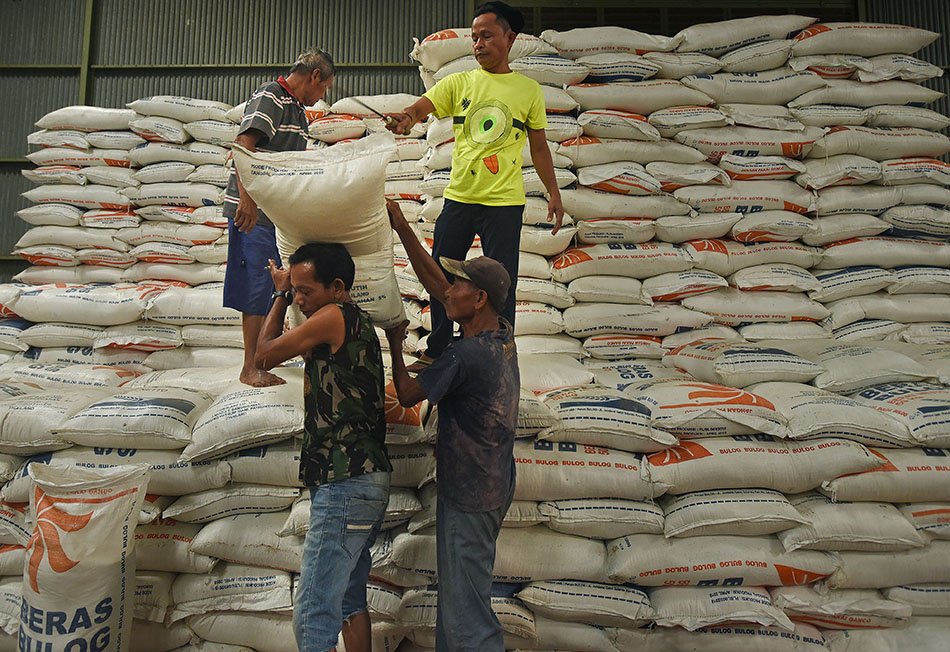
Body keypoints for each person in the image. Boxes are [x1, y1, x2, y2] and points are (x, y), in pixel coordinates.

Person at [385, 1, 564, 367]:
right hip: (460, 198)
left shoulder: (528, 90)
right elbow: (421, 108)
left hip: (504, 203)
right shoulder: (459, 82)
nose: (478, 44)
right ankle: (438, 346)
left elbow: (539, 147)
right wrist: (407, 117)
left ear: (509, 38)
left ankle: (498, 350)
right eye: (475, 38)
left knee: (501, 283)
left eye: (487, 36)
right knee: (441, 274)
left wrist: (554, 192)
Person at [385, 199, 519, 652]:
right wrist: (403, 229)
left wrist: (395, 342)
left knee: (467, 613)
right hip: (493, 480)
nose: (449, 293)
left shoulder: (466, 356)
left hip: (472, 490)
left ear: (478, 299)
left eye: (460, 284)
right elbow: (439, 289)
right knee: (459, 600)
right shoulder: (500, 333)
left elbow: (408, 395)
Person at [254, 242, 392, 652]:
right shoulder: (357, 321)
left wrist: (279, 293)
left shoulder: (332, 316)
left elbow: (263, 355)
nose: (299, 299)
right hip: (366, 479)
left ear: (337, 287)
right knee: (349, 599)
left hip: (344, 480)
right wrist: (293, 290)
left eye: (305, 291)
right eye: (295, 291)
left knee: (314, 611)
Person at [224, 48, 335, 387]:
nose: (322, 96)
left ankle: (263, 354)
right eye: (324, 87)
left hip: (274, 213)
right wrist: (247, 199)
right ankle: (249, 368)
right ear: (315, 76)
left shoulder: (297, 110)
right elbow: (243, 144)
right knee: (257, 285)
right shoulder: (272, 95)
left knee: (275, 283)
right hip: (253, 212)